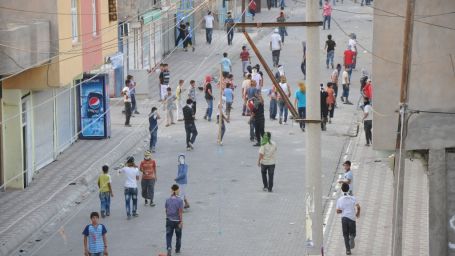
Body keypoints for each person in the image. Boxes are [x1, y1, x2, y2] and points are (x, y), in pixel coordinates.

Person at [336, 183, 361, 255]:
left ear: (342, 190)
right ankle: (352, 237)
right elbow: (358, 207)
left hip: (344, 218)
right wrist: (358, 213)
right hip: (352, 218)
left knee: (345, 234)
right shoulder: (353, 198)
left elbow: (337, 211)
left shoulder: (340, 200)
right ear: (348, 189)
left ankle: (348, 250)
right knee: (353, 233)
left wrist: (342, 210)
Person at [165, 184, 184, 256]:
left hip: (169, 220)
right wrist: (181, 221)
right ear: (177, 190)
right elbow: (180, 212)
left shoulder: (167, 199)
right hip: (177, 221)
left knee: (168, 235)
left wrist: (167, 217)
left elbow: (166, 210)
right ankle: (177, 249)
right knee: (178, 236)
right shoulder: (180, 200)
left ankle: (169, 247)